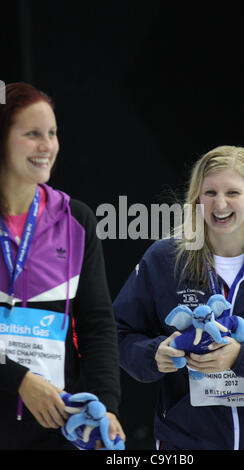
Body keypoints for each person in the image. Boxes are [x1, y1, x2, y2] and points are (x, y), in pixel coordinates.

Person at [113, 145, 244, 450]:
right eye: (210, 192)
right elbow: (118, 332)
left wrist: (241, 357)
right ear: (196, 198)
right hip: (184, 443)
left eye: (232, 193)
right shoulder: (165, 259)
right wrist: (153, 354)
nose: (220, 203)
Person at [0, 82, 125, 450]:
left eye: (52, 134)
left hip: (55, 426)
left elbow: (98, 325)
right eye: (33, 134)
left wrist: (106, 404)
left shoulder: (76, 220)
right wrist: (18, 379)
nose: (47, 146)